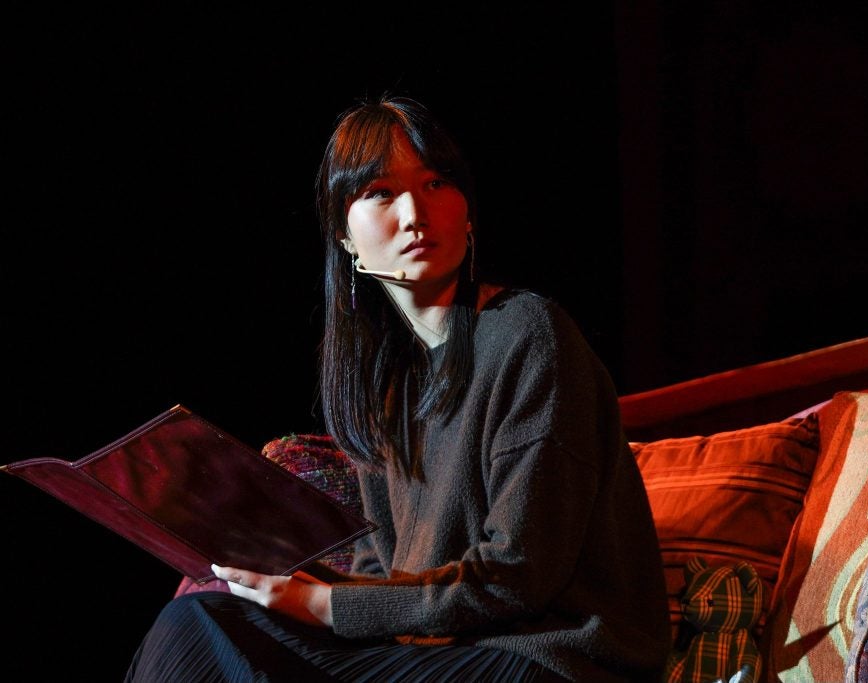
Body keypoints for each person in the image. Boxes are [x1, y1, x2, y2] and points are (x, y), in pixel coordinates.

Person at [125, 96, 670, 682]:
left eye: (436, 183)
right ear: (343, 236)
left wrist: (324, 605)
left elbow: (517, 573)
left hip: (544, 658)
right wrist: (299, 585)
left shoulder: (529, 334)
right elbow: (386, 572)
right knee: (203, 617)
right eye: (380, 192)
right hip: (438, 651)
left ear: (467, 214)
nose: (414, 212)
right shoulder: (387, 384)